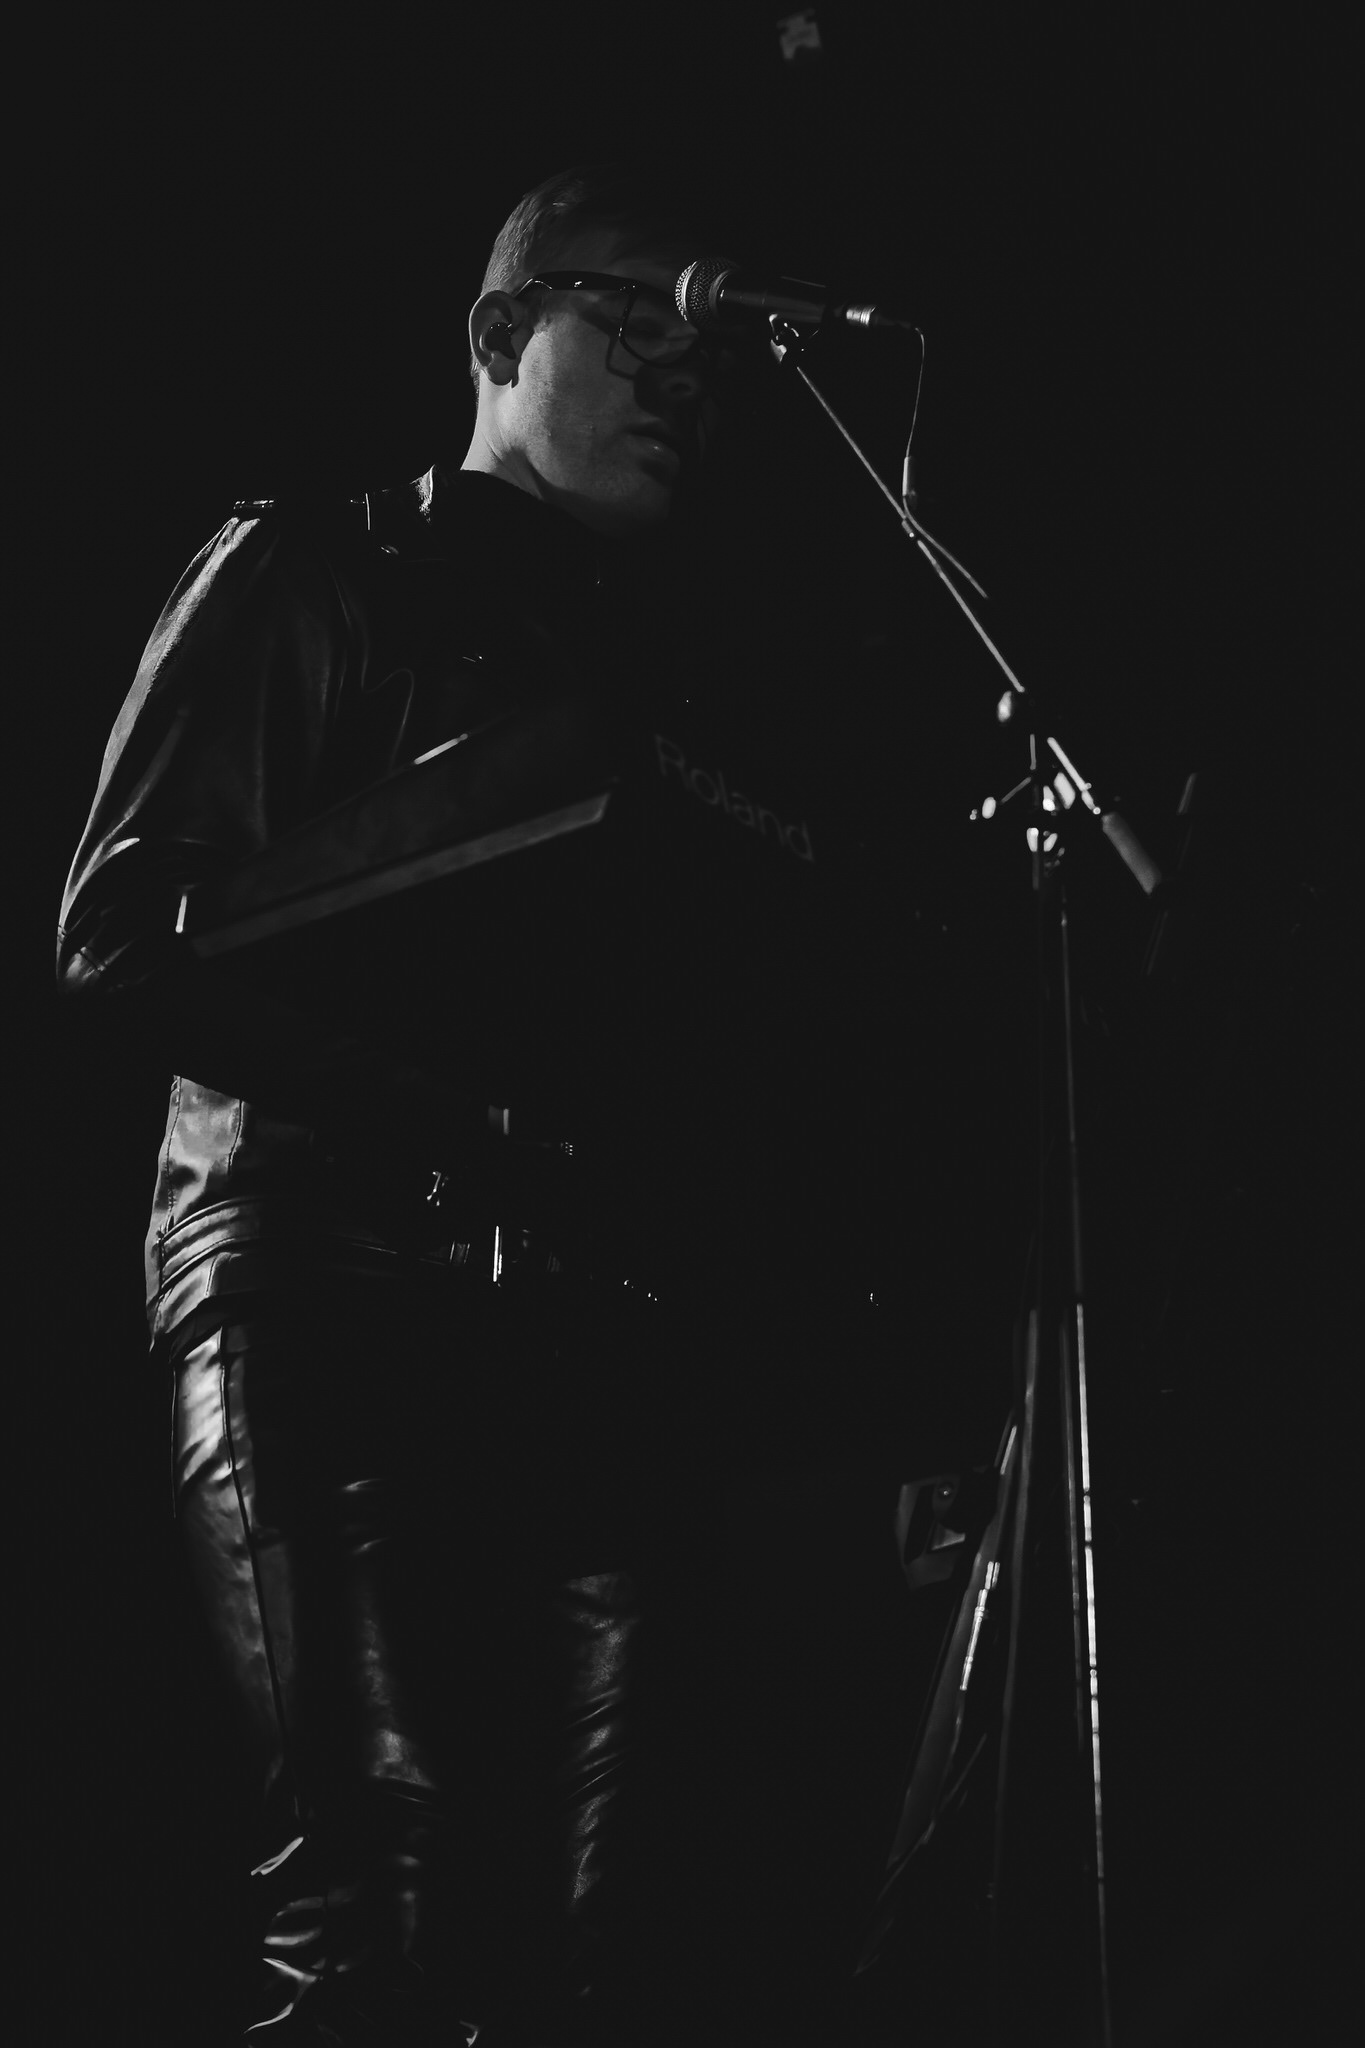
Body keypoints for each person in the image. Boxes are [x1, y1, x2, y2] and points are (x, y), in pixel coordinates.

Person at [58, 163, 890, 2045]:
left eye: (711, 358)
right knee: (386, 1925)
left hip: (597, 1341)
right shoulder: (316, 565)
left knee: (630, 1955)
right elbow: (116, 938)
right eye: (640, 325)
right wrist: (462, 1117)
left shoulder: (666, 676)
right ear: (503, 336)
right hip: (326, 1298)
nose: (685, 377)